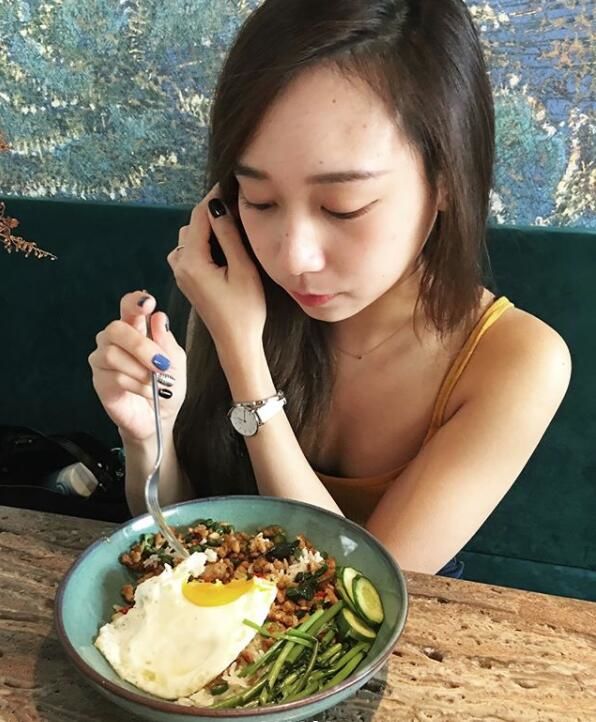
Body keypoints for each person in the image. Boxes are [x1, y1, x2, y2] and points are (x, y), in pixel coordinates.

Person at [89, 0, 571, 578]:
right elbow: (187, 545)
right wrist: (150, 435)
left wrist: (244, 357)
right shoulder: (235, 280)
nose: (293, 257)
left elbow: (360, 589)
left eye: (344, 206)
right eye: (260, 200)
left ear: (445, 180)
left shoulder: (517, 360)